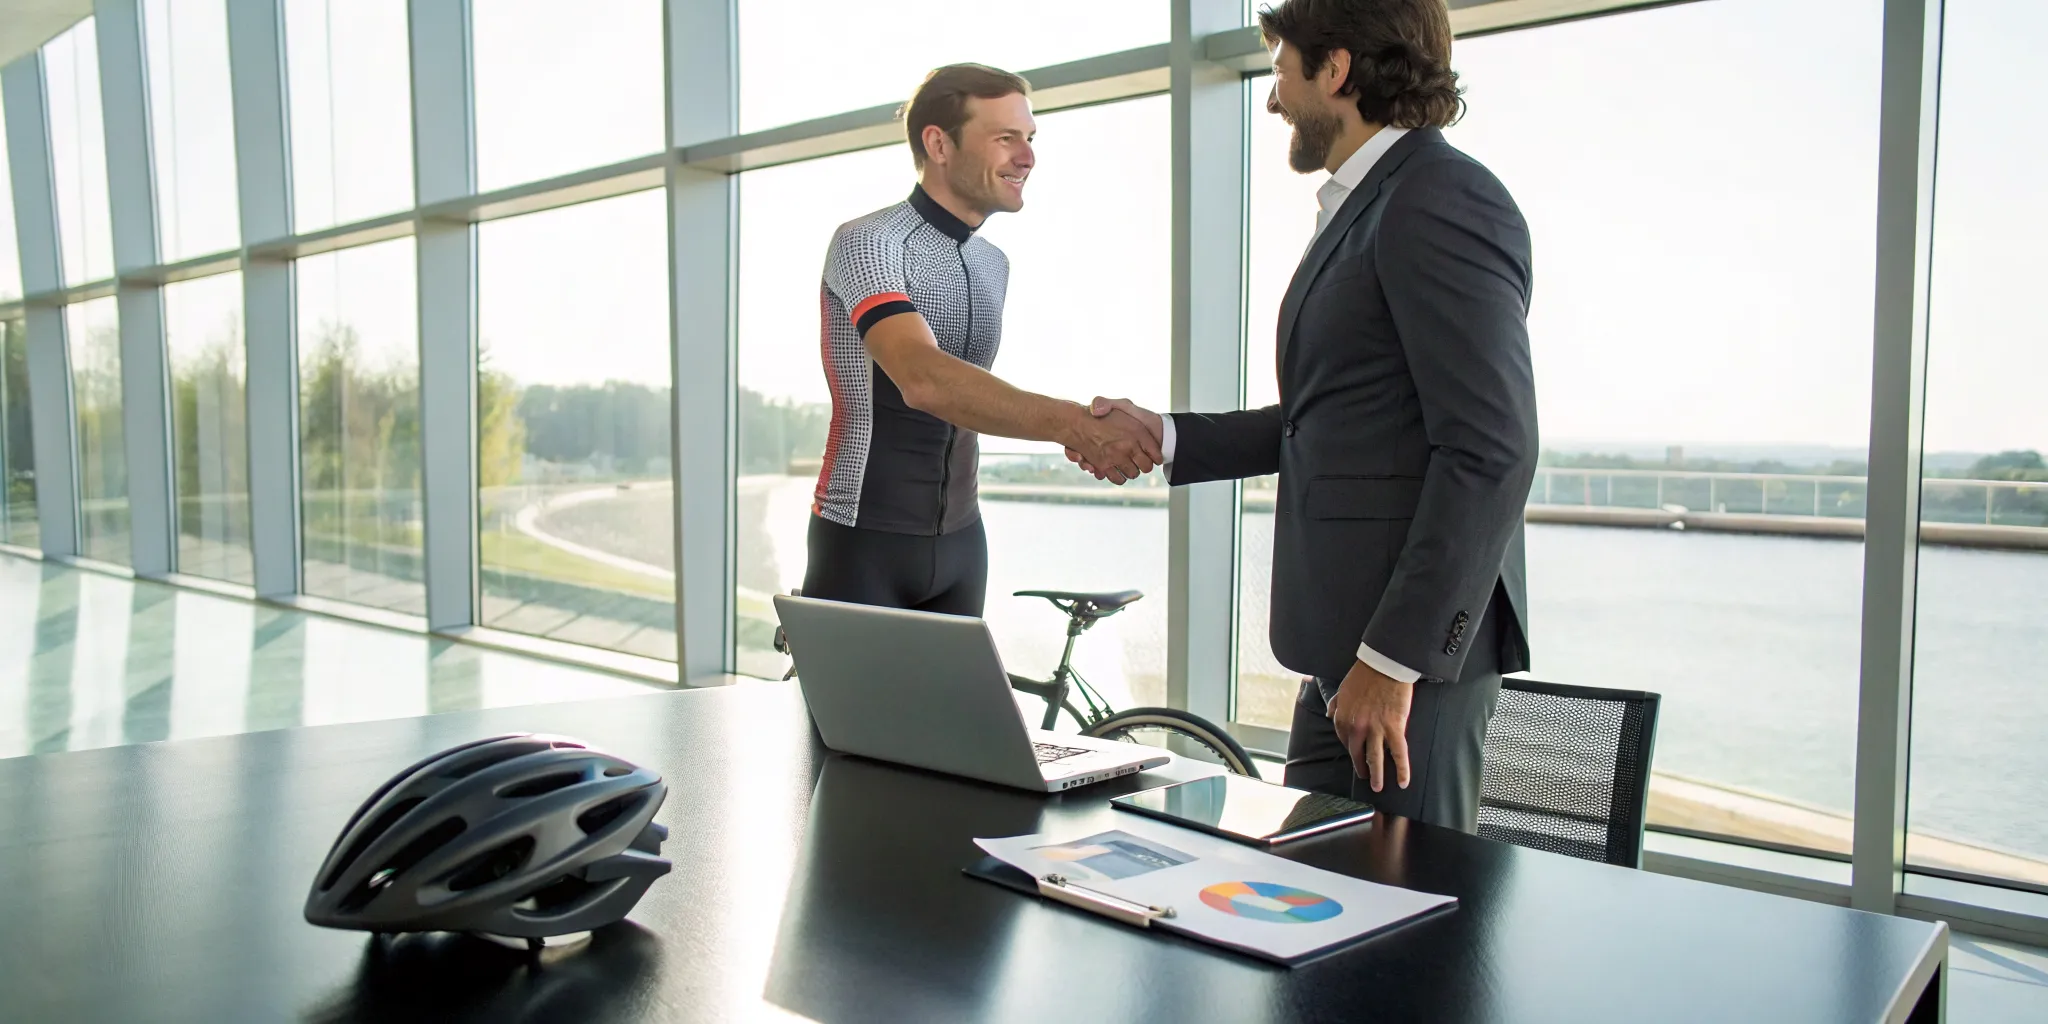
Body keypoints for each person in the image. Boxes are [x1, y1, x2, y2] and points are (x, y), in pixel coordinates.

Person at [1076, 0, 1537, 832]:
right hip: (1341, 653)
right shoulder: (1377, 202)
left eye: (1283, 69)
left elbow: (1491, 447)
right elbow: (1327, 421)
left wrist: (1394, 663)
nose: (1272, 97)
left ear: (1338, 69)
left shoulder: (1438, 199)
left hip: (1400, 672)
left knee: (1405, 932)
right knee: (1303, 905)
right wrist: (1168, 435)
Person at [802, 64, 1162, 618]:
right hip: (864, 542)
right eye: (1005, 138)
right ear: (938, 144)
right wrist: (1076, 426)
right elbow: (922, 377)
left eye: (1030, 139)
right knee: (844, 710)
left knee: (953, 710)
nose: (1028, 157)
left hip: (964, 543)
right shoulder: (868, 242)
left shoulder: (993, 263)